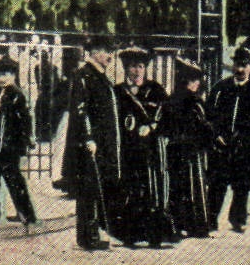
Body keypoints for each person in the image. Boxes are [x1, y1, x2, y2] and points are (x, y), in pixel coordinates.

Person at [207, 48, 250, 233]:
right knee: (217, 183)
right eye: (237, 64)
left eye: (244, 65)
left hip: (245, 146)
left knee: (242, 185)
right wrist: (216, 134)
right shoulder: (221, 88)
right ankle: (210, 218)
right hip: (222, 144)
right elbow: (209, 114)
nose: (240, 69)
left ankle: (238, 219)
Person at [112, 48, 176, 247]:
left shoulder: (156, 90)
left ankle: (155, 236)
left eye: (140, 66)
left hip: (151, 152)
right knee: (131, 191)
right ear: (125, 68)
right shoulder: (118, 92)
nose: (137, 71)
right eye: (133, 66)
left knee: (152, 192)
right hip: (129, 151)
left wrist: (152, 127)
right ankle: (130, 235)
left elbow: (169, 118)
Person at [70, 36, 122, 251]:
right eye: (103, 50)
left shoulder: (101, 77)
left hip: (104, 142)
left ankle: (95, 233)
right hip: (93, 143)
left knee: (98, 188)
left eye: (109, 51)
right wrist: (88, 137)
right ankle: (89, 236)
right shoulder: (84, 76)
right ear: (92, 52)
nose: (108, 55)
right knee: (90, 190)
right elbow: (81, 110)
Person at [0, 59, 37, 225]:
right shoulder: (5, 93)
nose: (1, 78)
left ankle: (23, 214)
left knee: (12, 179)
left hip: (10, 146)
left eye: (5, 74)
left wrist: (26, 142)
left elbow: (25, 120)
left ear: (13, 75)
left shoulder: (16, 94)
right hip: (2, 145)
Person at [163, 63, 216, 238]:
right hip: (192, 151)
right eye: (194, 80)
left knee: (177, 187)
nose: (197, 84)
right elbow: (204, 126)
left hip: (175, 150)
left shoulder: (172, 99)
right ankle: (196, 225)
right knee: (194, 187)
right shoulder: (194, 101)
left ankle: (179, 224)